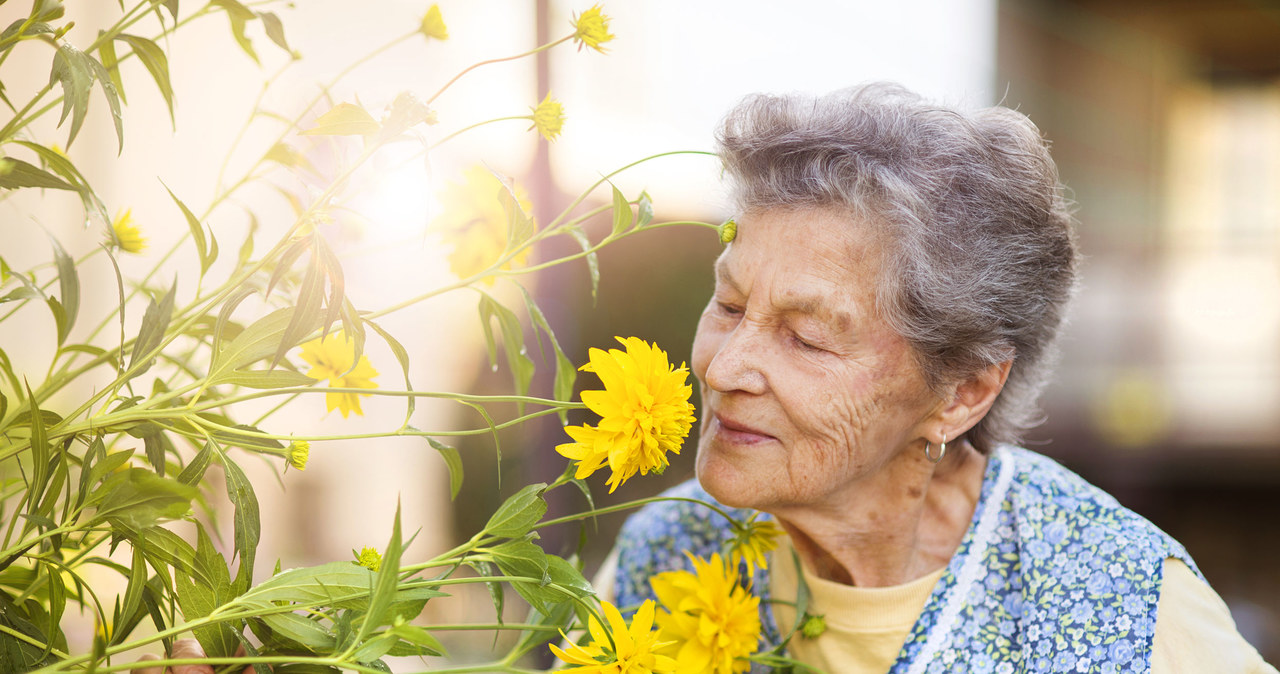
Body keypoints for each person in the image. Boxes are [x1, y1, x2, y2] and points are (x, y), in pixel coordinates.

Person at [601, 83, 1277, 673]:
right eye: (728, 304)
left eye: (806, 338)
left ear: (964, 393)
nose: (721, 367)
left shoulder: (1124, 607)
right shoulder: (665, 551)